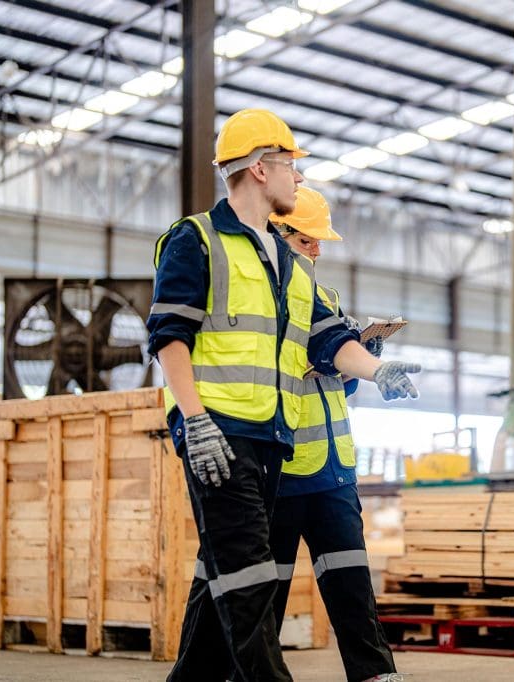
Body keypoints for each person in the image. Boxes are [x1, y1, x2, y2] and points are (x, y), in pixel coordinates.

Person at [147, 108, 420, 682]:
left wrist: (377, 370)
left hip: (272, 441)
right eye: (291, 166)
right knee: (249, 587)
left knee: (232, 578)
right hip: (216, 435)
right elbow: (169, 335)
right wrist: (193, 421)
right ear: (258, 168)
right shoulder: (195, 241)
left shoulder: (291, 270)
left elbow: (329, 338)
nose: (299, 179)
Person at [268, 187, 395, 682]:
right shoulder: (270, 300)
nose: (318, 249)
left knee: (352, 586)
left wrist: (361, 362)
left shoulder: (325, 297)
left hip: (333, 473)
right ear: (278, 236)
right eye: (307, 239)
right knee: (265, 597)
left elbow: (334, 383)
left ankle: (376, 675)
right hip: (281, 470)